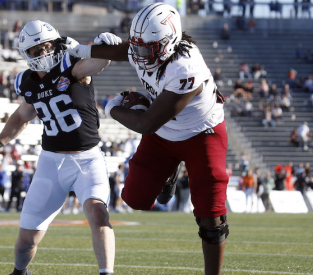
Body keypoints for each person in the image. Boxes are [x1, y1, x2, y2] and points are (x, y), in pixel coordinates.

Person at [64, 4, 229, 273]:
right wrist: (80, 49)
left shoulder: (186, 69)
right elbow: (124, 50)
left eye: (146, 49)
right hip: (165, 131)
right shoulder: (150, 46)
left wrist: (112, 109)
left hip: (202, 133)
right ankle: (171, 169)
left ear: (168, 43)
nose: (138, 55)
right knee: (135, 199)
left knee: (210, 217)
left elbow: (146, 123)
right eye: (137, 46)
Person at [0, 20, 117, 275]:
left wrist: (100, 47)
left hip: (88, 161)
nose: (43, 53)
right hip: (51, 164)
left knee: (99, 215)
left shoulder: (72, 66)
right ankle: (20, 273)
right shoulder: (26, 82)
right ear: (26, 54)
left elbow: (98, 63)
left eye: (47, 46)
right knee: (26, 242)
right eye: (35, 50)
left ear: (56, 44)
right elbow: (23, 115)